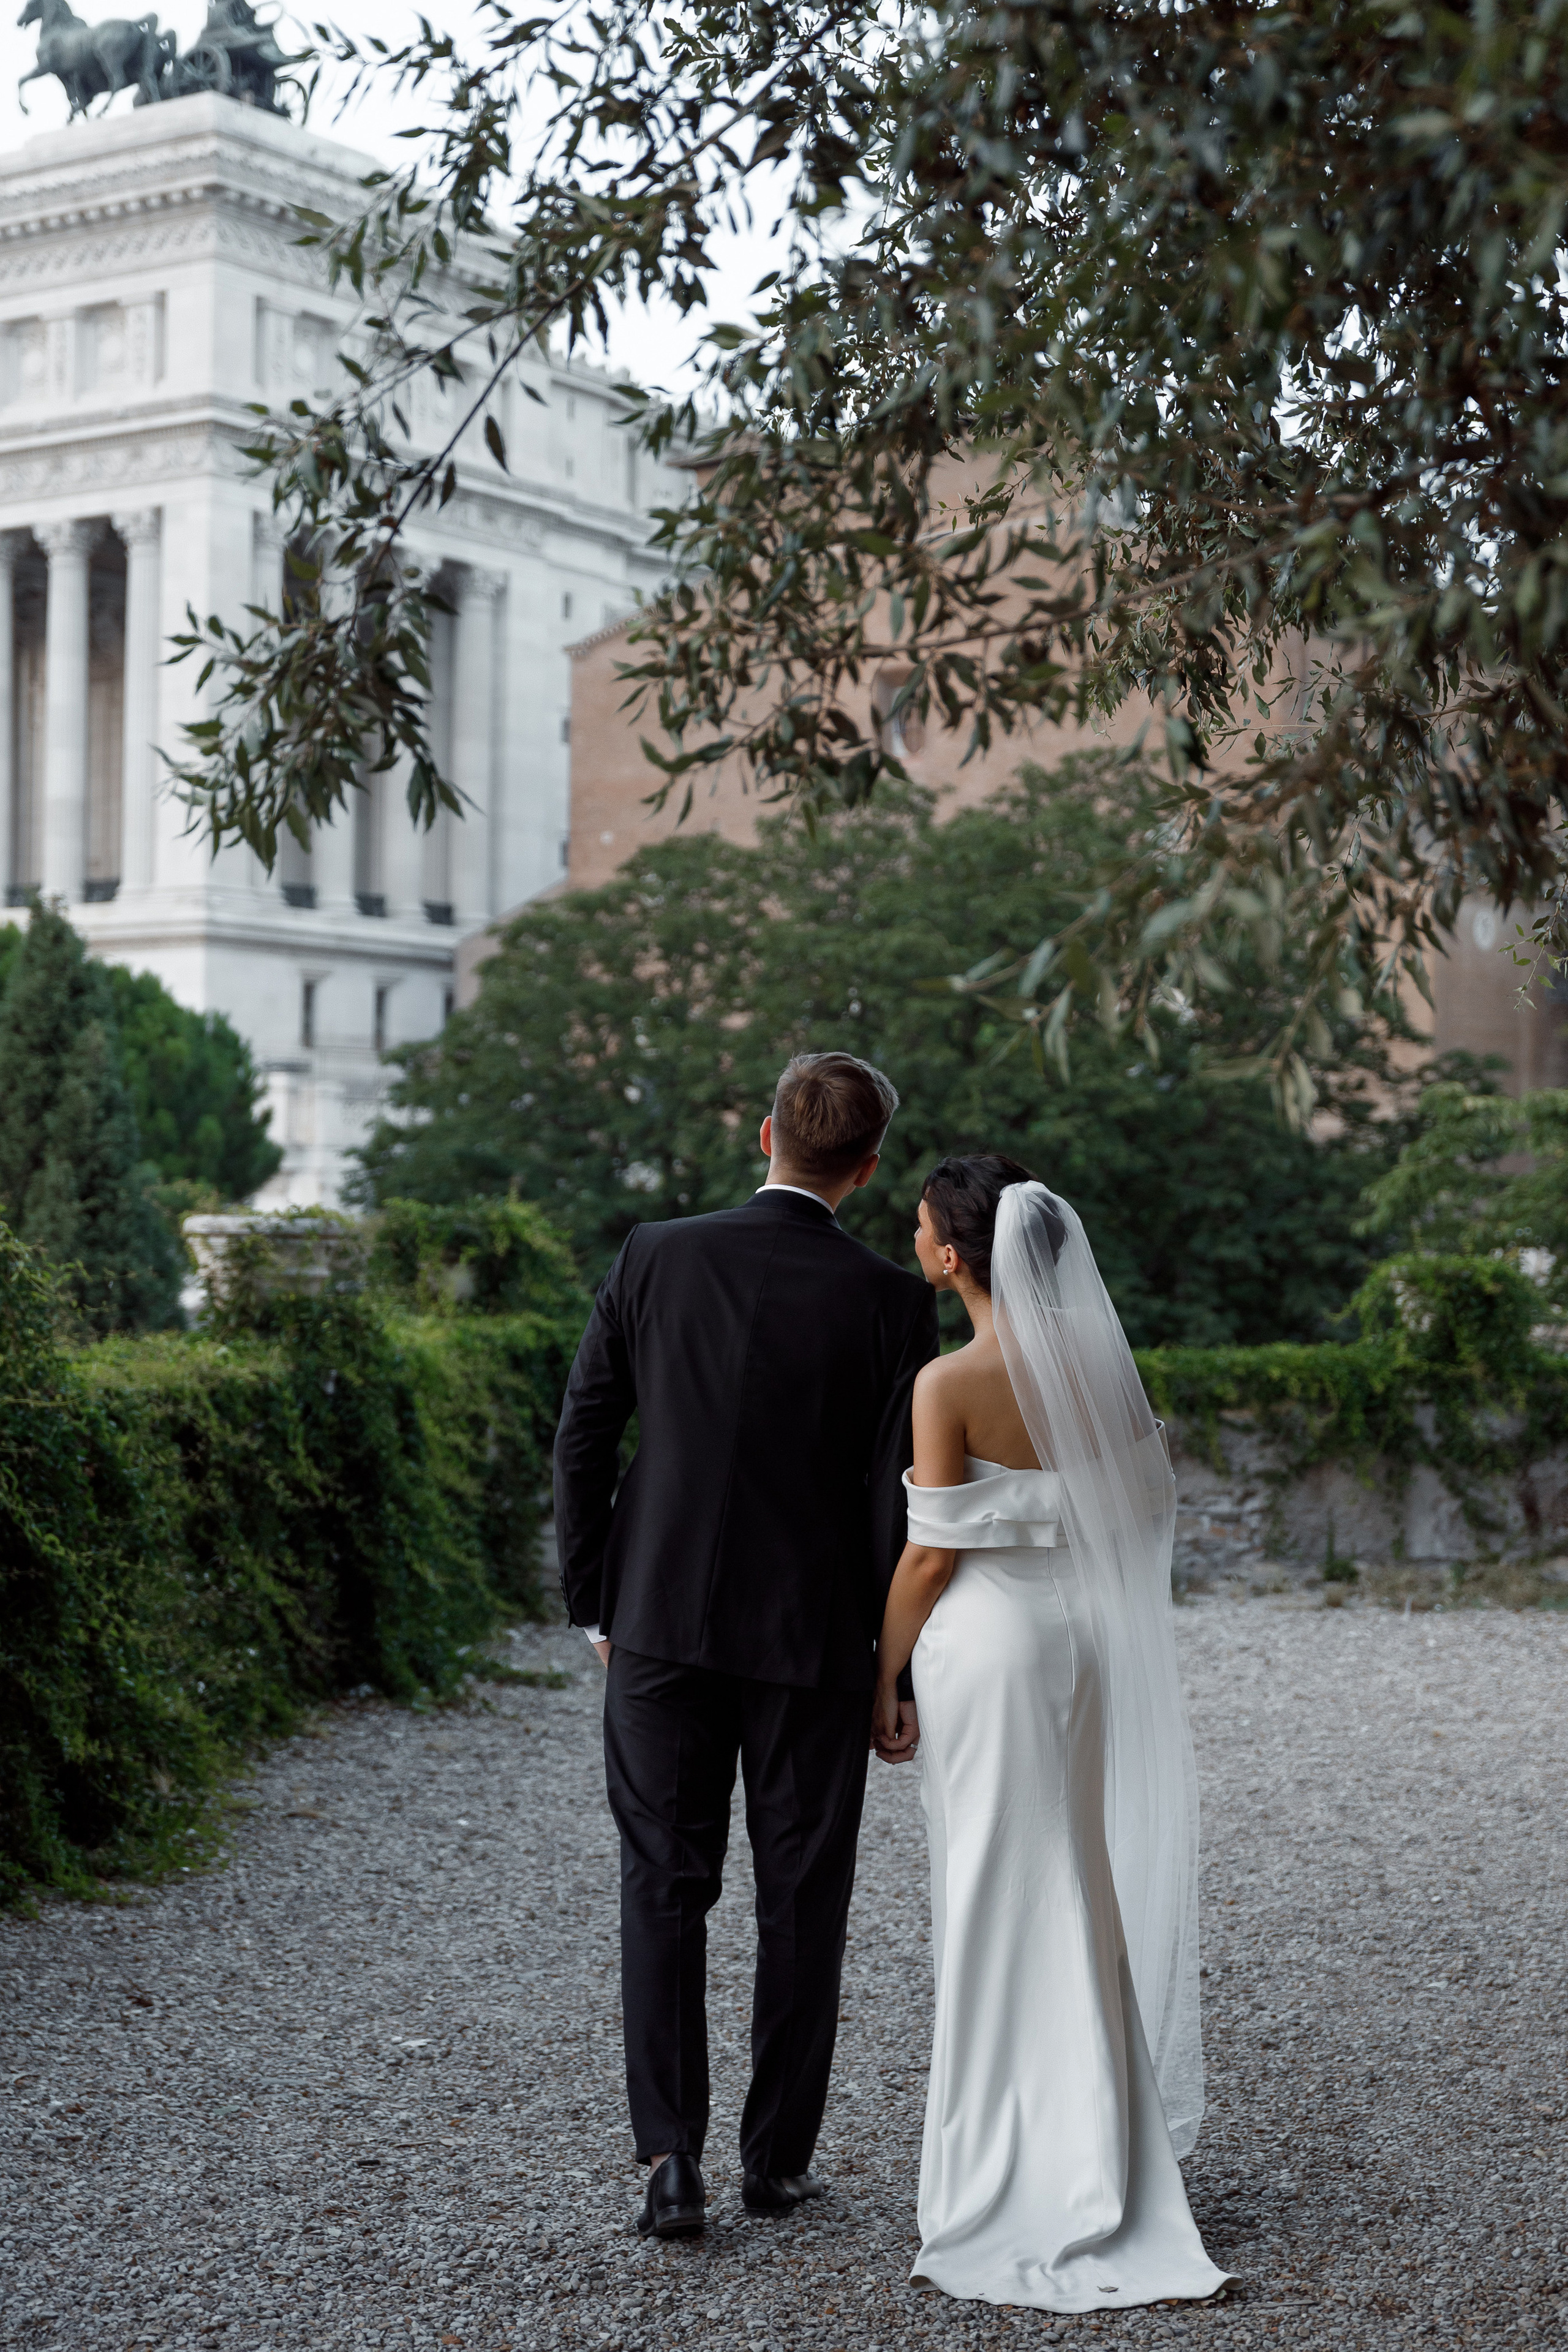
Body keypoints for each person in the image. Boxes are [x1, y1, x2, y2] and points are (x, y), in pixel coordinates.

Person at [554, 1052, 940, 2240]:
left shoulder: (654, 1253)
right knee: (800, 1897)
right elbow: (900, 1500)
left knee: (662, 1888)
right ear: (866, 1169)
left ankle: (669, 2161)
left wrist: (595, 1606)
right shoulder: (889, 1301)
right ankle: (773, 2161)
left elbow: (582, 1437)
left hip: (659, 1622)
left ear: (760, 1132)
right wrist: (897, 1670)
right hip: (814, 1640)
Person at [874, 1154, 1230, 2314]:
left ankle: (1002, 2169)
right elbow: (1136, 1514)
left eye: (923, 1226)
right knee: (1075, 1883)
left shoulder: (951, 1380)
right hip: (1080, 1644)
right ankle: (1102, 2152)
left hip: (991, 1650)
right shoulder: (1105, 1376)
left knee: (989, 1887)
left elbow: (931, 1555)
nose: (917, 1240)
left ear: (953, 1254)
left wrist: (881, 1671)